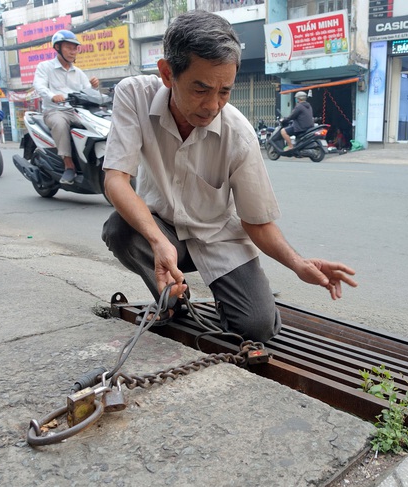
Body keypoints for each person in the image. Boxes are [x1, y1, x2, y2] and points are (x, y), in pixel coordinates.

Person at [101, 10, 357, 343]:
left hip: (220, 238)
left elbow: (257, 222)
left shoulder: (239, 133)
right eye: (200, 89)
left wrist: (298, 264)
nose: (212, 105)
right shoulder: (133, 95)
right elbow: (115, 180)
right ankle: (171, 302)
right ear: (167, 73)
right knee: (119, 229)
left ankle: (225, 298)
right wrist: (157, 239)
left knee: (258, 328)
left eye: (224, 91)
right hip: (165, 230)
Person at [33, 30, 100, 184]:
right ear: (57, 48)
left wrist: (94, 87)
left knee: (97, 124)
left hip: (77, 111)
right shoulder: (45, 67)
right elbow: (39, 85)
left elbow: (87, 92)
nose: (73, 51)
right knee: (60, 123)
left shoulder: (79, 72)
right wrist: (52, 96)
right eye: (69, 48)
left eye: (75, 48)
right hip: (55, 111)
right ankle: (68, 166)